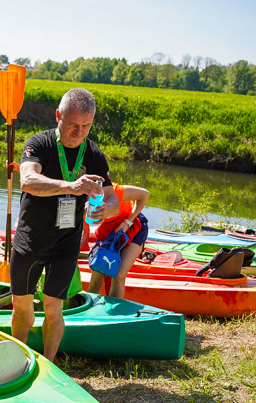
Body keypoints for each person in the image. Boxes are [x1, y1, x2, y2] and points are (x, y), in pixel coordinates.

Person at [12, 88, 116, 363]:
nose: (80, 132)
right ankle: (15, 359)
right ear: (58, 115)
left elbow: (113, 198)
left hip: (66, 243)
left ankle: (49, 364)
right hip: (30, 239)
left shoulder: (93, 154)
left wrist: (107, 209)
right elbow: (27, 181)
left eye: (86, 125)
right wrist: (71, 186)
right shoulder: (39, 143)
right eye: (73, 124)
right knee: (22, 306)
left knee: (53, 307)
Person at [86, 182, 150, 299]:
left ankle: (114, 314)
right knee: (97, 272)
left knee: (118, 275)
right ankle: (88, 313)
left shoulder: (116, 191)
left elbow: (145, 194)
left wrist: (128, 222)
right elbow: (84, 233)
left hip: (132, 226)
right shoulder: (80, 195)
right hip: (108, 231)